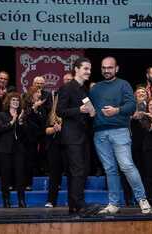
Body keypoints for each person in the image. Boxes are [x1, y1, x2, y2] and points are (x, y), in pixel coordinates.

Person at [90, 56, 152, 214]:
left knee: (126, 165)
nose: (106, 70)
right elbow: (88, 106)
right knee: (110, 169)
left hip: (120, 131)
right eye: (104, 67)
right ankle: (114, 204)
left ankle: (142, 199)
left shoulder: (123, 84)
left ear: (116, 69)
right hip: (99, 133)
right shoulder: (95, 88)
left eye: (109, 67)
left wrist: (116, 110)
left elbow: (132, 106)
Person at [56, 57, 94, 215]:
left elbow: (88, 110)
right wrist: (80, 110)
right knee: (78, 170)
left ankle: (74, 205)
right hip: (71, 137)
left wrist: (91, 112)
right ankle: (79, 203)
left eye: (90, 69)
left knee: (79, 171)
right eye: (86, 69)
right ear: (76, 69)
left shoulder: (84, 90)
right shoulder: (67, 87)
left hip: (83, 136)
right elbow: (60, 111)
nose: (89, 72)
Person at [0, 92, 27, 208]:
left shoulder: (22, 115)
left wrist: (20, 123)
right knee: (5, 175)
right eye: (13, 100)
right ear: (9, 102)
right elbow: (0, 129)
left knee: (20, 175)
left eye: (17, 101)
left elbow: (25, 134)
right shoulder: (2, 115)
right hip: (5, 149)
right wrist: (12, 121)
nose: (15, 102)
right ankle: (6, 200)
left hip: (18, 149)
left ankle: (21, 200)